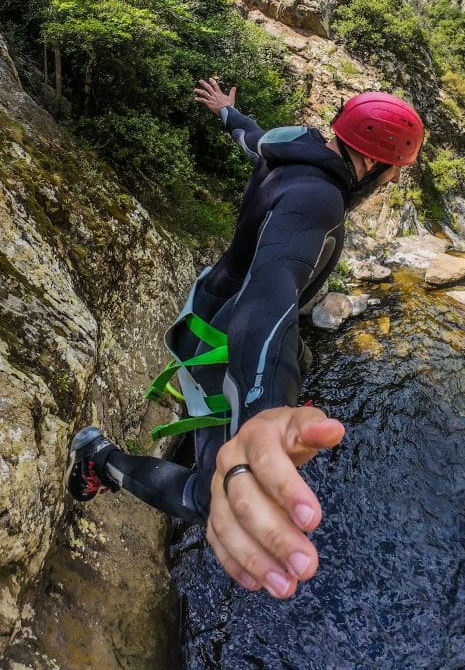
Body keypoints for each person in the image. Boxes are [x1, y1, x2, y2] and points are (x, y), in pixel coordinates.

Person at [66, 79, 424, 599]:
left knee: (218, 469)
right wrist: (265, 410)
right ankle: (97, 457)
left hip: (211, 308)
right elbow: (269, 295)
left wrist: (227, 113)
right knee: (214, 499)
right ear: (377, 165)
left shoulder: (296, 142)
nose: (390, 182)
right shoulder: (319, 201)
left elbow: (253, 139)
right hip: (223, 339)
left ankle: (127, 452)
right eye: (394, 173)